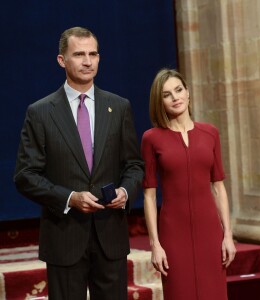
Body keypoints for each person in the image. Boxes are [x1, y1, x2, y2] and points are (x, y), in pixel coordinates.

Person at [14, 27, 144, 300]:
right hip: (64, 237)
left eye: (93, 54)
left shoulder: (119, 107)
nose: (87, 61)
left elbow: (133, 165)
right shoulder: (40, 113)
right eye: (79, 54)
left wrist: (125, 191)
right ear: (62, 60)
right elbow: (26, 175)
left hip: (110, 236)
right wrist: (70, 198)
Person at [141, 68, 236, 300]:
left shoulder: (210, 133)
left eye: (179, 90)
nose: (175, 97)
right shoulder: (151, 138)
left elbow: (219, 188)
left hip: (210, 231)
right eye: (167, 94)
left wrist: (228, 235)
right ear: (159, 101)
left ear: (188, 92)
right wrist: (155, 244)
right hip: (173, 232)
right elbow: (149, 196)